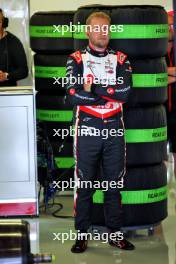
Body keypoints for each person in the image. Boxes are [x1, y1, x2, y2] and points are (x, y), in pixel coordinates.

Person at [66, 12, 135, 253]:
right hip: (87, 127)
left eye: (106, 29)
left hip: (115, 128)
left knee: (113, 184)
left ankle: (115, 235)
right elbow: (73, 95)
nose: (102, 33)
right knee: (84, 184)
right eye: (97, 29)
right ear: (87, 32)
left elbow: (125, 93)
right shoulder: (75, 59)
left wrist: (93, 87)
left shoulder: (121, 58)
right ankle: (81, 234)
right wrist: (108, 90)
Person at [0, 8, 28, 86]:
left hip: (8, 92)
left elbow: (24, 71)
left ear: (4, 23)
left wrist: (6, 76)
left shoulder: (13, 42)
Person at [166, 10, 176, 186]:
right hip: (156, 109)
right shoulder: (151, 48)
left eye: (171, 25)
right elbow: (150, 73)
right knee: (155, 155)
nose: (168, 28)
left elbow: (157, 75)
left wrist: (162, 74)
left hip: (175, 110)